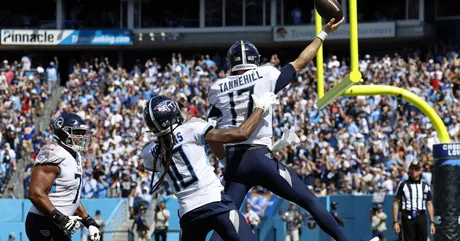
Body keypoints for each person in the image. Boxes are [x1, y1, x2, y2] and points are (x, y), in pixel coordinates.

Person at [206, 17, 358, 241]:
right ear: (255, 59)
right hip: (260, 157)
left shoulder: (216, 87)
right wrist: (324, 33)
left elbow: (212, 137)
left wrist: (225, 162)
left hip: (235, 163)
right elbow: (300, 62)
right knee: (309, 200)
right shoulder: (265, 73)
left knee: (225, 221)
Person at [140, 93, 278, 241]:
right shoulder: (191, 128)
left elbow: (168, 150)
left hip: (189, 214)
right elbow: (241, 133)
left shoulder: (147, 153)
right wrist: (259, 108)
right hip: (216, 203)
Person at [25, 113, 101, 241]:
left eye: (82, 133)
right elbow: (35, 193)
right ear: (63, 133)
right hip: (43, 222)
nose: (81, 137)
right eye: (77, 133)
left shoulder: (75, 156)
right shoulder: (54, 154)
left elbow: (70, 195)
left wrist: (88, 221)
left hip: (59, 223)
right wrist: (60, 218)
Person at [393, 160, 436, 241]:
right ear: (409, 170)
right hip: (407, 216)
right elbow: (396, 203)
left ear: (420, 171)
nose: (413, 171)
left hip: (421, 216)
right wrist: (395, 222)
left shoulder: (425, 185)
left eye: (416, 169)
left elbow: (429, 204)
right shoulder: (403, 184)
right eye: (412, 168)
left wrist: (432, 222)